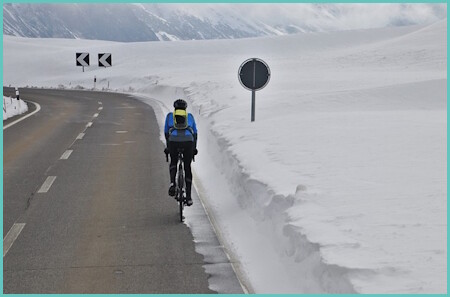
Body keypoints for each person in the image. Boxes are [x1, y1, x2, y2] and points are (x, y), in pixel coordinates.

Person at [164, 99, 198, 206]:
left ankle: (173, 183)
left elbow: (166, 132)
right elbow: (195, 133)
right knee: (187, 167)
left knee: (174, 161)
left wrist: (168, 147)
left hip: (174, 142)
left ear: (175, 108)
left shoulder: (170, 116)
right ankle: (188, 197)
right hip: (188, 142)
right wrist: (194, 148)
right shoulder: (190, 117)